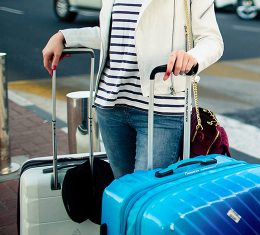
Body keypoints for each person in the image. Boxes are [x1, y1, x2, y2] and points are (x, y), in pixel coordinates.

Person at [42, 0, 224, 178]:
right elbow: (113, 34)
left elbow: (212, 39)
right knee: (123, 192)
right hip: (111, 104)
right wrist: (65, 37)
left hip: (160, 108)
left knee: (146, 193)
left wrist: (192, 57)